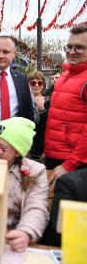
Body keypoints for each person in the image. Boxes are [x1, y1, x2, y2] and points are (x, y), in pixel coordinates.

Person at [0, 117, 49, 252]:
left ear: (18, 152)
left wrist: (25, 233)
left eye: (1, 147)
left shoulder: (34, 172)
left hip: (10, 241)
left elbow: (36, 208)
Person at [45, 24, 87, 186]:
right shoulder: (64, 75)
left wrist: (70, 164)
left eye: (79, 48)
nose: (71, 51)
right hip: (55, 158)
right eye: (69, 46)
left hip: (74, 164)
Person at [28, 71, 48, 161]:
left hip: (43, 146)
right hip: (27, 146)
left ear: (43, 85)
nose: (36, 85)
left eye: (39, 82)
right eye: (33, 83)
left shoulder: (49, 102)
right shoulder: (23, 102)